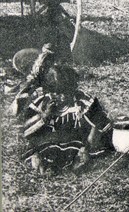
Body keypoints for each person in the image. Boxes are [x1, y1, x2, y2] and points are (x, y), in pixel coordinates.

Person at [10, 44, 113, 174]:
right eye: (56, 93)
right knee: (40, 153)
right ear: (48, 91)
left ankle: (76, 160)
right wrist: (44, 116)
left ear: (73, 89)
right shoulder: (42, 102)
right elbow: (26, 129)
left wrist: (89, 144)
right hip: (50, 142)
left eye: (66, 92)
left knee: (85, 153)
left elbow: (100, 122)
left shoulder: (82, 101)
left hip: (78, 142)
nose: (62, 97)